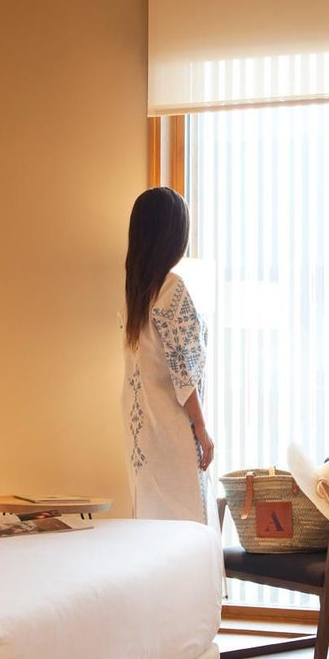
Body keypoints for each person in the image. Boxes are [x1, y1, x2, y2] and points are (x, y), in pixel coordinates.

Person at [121, 186, 214, 524]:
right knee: (186, 526)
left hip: (140, 430)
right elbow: (184, 370)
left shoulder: (135, 293)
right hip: (170, 427)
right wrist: (202, 429)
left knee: (150, 521)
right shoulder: (172, 289)